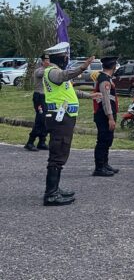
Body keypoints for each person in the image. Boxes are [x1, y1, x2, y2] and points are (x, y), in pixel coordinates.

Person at [41, 42, 100, 206]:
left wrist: (90, 96)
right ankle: (51, 194)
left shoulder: (59, 73)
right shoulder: (53, 72)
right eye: (65, 57)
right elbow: (63, 77)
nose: (67, 59)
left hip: (64, 117)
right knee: (58, 152)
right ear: (59, 57)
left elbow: (71, 92)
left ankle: (55, 189)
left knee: (61, 151)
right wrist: (83, 67)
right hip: (59, 118)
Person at [92, 57, 120, 177]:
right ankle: (99, 167)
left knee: (108, 139)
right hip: (104, 115)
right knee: (103, 141)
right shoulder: (104, 80)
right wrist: (110, 118)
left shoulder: (106, 78)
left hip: (107, 114)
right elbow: (106, 101)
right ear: (113, 67)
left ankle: (105, 164)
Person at [25, 54, 50, 152]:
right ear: (42, 61)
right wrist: (48, 68)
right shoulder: (39, 70)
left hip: (46, 97)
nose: (48, 62)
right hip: (39, 97)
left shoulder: (49, 70)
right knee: (40, 119)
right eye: (47, 60)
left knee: (46, 119)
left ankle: (42, 141)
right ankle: (30, 142)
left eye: (49, 60)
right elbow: (41, 74)